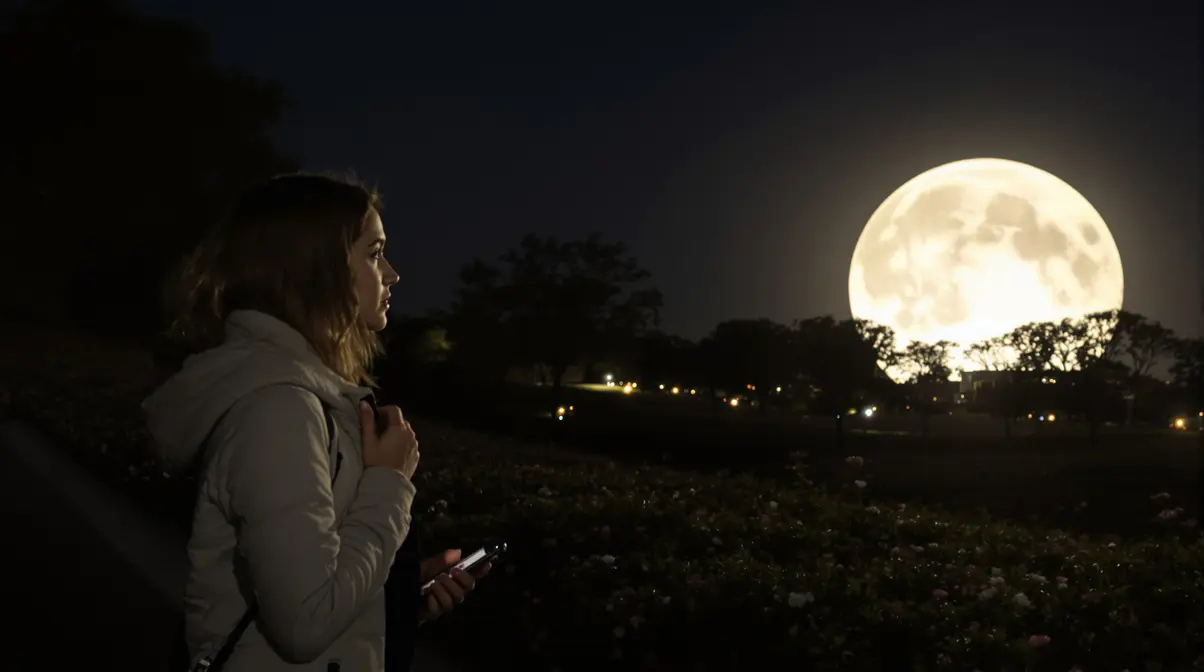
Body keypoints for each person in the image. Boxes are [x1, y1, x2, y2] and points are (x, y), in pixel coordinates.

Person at [143, 173, 489, 671]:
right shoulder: (277, 409)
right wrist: (389, 482)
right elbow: (304, 622)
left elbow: (311, 585)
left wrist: (394, 596)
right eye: (373, 253)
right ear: (318, 269)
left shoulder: (303, 396)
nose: (392, 274)